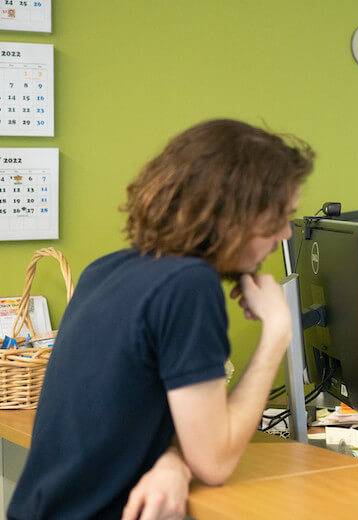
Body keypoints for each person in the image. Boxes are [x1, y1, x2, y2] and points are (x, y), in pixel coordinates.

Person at [8, 119, 314, 519]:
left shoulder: (107, 270)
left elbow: (135, 416)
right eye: (279, 217)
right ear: (233, 213)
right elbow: (215, 462)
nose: (286, 234)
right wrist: (277, 330)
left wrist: (172, 460)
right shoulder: (189, 285)